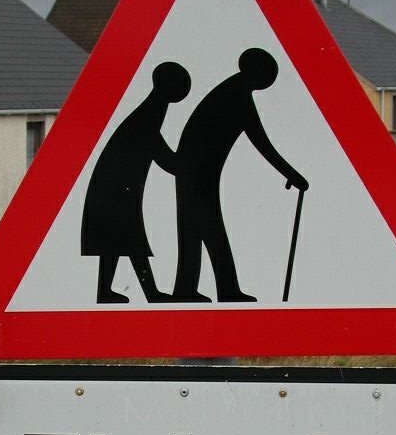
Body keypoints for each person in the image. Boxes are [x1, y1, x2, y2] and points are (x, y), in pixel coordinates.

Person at [172, 48, 307, 302]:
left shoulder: (231, 91)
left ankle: (187, 289)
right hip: (198, 173)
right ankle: (223, 289)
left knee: (195, 228)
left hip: (194, 171)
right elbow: (262, 143)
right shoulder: (236, 97)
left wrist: (292, 174)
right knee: (208, 229)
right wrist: (292, 175)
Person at [81, 61, 191, 303]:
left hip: (117, 187)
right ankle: (148, 294)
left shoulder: (151, 110)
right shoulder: (150, 114)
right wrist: (192, 162)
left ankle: (110, 292)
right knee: (128, 238)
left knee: (118, 239)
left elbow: (159, 151)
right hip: (118, 189)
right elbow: (164, 157)